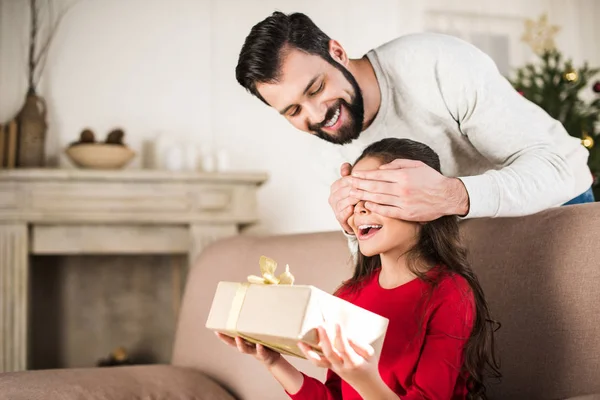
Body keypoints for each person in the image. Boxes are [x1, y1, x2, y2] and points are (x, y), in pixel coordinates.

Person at [235, 11, 594, 241]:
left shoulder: (435, 63)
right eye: (293, 110)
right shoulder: (323, 151)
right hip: (473, 242)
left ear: (338, 53)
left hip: (558, 208)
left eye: (316, 88)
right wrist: (357, 231)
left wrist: (450, 195)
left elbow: (563, 169)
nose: (315, 115)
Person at [216, 138, 500, 400]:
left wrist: (363, 377)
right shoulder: (349, 296)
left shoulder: (449, 292)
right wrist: (273, 360)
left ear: (423, 205)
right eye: (353, 196)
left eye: (374, 194)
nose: (359, 208)